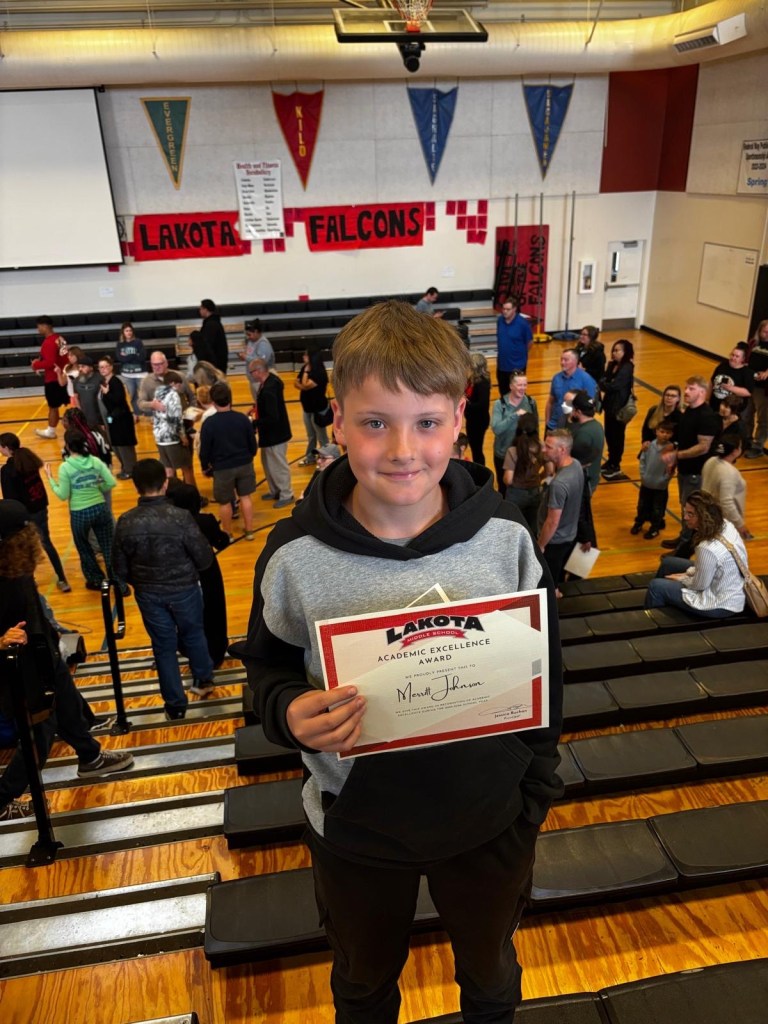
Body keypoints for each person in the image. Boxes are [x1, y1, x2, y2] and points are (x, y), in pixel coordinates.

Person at [237, 299, 562, 1024]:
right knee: (362, 987)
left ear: (459, 417)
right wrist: (287, 712)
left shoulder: (505, 536)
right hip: (355, 830)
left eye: (427, 422)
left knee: (490, 980)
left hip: (489, 822)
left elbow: (548, 669)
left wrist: (535, 790)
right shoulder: (292, 557)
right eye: (375, 423)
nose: (403, 450)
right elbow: (266, 670)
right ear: (337, 421)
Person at [0, 500, 133, 820]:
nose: (31, 536)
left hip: (45, 653)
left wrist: (54, 634)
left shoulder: (16, 560)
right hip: (20, 670)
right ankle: (2, 797)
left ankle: (90, 756)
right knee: (40, 732)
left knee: (70, 705)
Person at [113, 459, 216, 719]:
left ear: (135, 486)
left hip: (149, 593)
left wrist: (138, 581)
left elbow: (119, 568)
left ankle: (175, 705)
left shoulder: (126, 521)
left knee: (163, 646)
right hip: (185, 589)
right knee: (194, 633)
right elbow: (204, 557)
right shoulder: (180, 517)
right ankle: (203, 679)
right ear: (165, 483)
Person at [645, 490, 748, 618]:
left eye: (691, 514)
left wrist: (683, 578)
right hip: (728, 585)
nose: (685, 517)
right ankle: (665, 603)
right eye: (685, 512)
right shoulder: (726, 524)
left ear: (704, 517)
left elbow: (699, 585)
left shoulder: (707, 548)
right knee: (668, 563)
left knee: (655, 586)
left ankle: (654, 622)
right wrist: (689, 572)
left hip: (720, 603)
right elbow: (713, 566)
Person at [44, 428, 120, 591]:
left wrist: (50, 479)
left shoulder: (65, 467)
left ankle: (96, 580)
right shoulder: (95, 461)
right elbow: (111, 482)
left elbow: (63, 495)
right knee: (108, 546)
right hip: (100, 507)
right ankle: (119, 582)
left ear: (67, 446)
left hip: (80, 512)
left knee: (84, 547)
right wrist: (97, 488)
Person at [166, 480, 230, 670]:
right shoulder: (206, 521)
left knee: (187, 614)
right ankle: (215, 654)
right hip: (207, 572)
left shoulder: (170, 524)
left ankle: (191, 652)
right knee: (214, 611)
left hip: (181, 573)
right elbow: (222, 542)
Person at [0, 433, 70, 592]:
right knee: (47, 544)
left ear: (6, 448)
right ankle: (62, 579)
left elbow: (10, 499)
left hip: (24, 515)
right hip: (40, 508)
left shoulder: (7, 470)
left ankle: (30, 583)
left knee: (24, 549)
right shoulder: (28, 460)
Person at [660, 376, 721, 550]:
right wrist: (674, 461)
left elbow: (703, 447)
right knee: (686, 506)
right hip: (685, 469)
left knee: (693, 509)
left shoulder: (707, 416)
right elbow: (683, 439)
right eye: (686, 388)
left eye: (691, 388)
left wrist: (676, 456)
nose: (686, 391)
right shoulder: (688, 411)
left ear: (702, 392)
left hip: (697, 472)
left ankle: (687, 545)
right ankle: (684, 537)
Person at [198, 381, 257, 539]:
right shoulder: (242, 419)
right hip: (244, 463)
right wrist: (249, 456)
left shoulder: (209, 423)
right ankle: (249, 531)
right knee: (245, 497)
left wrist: (205, 467)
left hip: (222, 468)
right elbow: (252, 444)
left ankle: (228, 534)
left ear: (213, 401)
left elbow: (204, 450)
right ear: (230, 399)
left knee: (224, 502)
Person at [537, 429, 584, 586]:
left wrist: (541, 545)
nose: (544, 449)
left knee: (550, 582)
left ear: (562, 450)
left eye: (549, 447)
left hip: (554, 541)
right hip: (569, 534)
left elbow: (552, 522)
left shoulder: (559, 484)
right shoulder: (576, 465)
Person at [248, 358, 294, 509]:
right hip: (269, 435)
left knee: (278, 465)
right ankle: (275, 490)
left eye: (251, 372)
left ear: (259, 371)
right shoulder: (270, 381)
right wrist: (255, 409)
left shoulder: (269, 389)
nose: (250, 375)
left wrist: (254, 423)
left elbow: (272, 417)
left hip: (276, 435)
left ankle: (286, 494)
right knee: (268, 464)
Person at [490, 371, 538, 493]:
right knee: (503, 487)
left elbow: (535, 427)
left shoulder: (531, 402)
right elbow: (496, 429)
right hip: (503, 454)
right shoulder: (500, 405)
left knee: (521, 486)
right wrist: (515, 415)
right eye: (519, 385)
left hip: (524, 454)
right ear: (511, 386)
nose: (523, 388)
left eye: (525, 385)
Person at [702, 433, 752, 540]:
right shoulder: (729, 472)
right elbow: (727, 502)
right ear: (735, 451)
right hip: (723, 522)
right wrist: (740, 524)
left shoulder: (711, 461)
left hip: (708, 514)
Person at [632, 418, 675, 539]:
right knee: (642, 505)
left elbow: (671, 469)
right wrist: (643, 475)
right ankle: (639, 523)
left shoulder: (671, 449)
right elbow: (643, 461)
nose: (664, 435)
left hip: (660, 486)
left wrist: (664, 480)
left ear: (672, 434)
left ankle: (654, 528)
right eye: (662, 431)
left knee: (657, 508)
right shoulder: (649, 446)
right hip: (646, 483)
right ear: (656, 431)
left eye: (668, 433)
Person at [152, 370, 196, 486]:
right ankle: (191, 493)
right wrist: (183, 437)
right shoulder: (173, 395)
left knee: (169, 469)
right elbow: (175, 418)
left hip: (160, 438)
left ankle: (171, 494)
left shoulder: (158, 392)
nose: (179, 388)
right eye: (178, 385)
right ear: (172, 383)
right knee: (187, 467)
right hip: (173, 438)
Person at [502, 412, 543, 533]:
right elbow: (550, 470)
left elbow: (508, 479)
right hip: (535, 491)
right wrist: (539, 477)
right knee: (533, 527)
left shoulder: (513, 451)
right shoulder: (542, 447)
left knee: (514, 527)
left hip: (516, 494)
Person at [600, 339, 635, 480]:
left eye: (617, 350)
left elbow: (614, 386)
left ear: (626, 352)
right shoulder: (612, 365)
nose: (614, 353)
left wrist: (605, 384)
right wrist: (605, 383)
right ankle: (611, 460)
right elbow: (604, 379)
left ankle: (615, 464)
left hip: (619, 408)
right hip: (609, 406)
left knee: (617, 436)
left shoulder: (627, 367)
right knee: (609, 434)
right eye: (613, 350)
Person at [98, 356, 137, 480]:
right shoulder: (104, 382)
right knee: (116, 445)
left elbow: (119, 400)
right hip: (113, 419)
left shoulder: (115, 382)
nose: (103, 369)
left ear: (111, 367)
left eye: (105, 366)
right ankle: (125, 467)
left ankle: (130, 469)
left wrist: (107, 393)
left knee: (124, 445)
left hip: (122, 419)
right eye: (101, 367)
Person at [32, 316, 70, 440]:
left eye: (39, 326)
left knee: (53, 407)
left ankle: (51, 431)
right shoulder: (60, 339)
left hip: (53, 378)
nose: (38, 329)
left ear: (45, 326)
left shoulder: (49, 342)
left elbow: (50, 363)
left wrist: (35, 365)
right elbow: (63, 357)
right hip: (64, 376)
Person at [544, 349, 597, 431]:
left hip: (573, 428)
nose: (562, 362)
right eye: (561, 359)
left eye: (566, 360)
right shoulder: (556, 378)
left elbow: (591, 404)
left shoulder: (586, 379)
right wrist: (547, 422)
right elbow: (550, 402)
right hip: (554, 426)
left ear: (575, 361)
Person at [295, 349, 330, 466]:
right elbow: (296, 383)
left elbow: (305, 385)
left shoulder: (319, 372)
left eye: (306, 354)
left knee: (322, 437)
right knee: (311, 436)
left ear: (312, 356)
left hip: (318, 410)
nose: (303, 356)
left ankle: (327, 459)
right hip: (307, 409)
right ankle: (310, 457)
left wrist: (305, 372)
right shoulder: (305, 367)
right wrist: (302, 384)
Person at [568, 391, 604, 493]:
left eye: (573, 409)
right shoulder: (597, 425)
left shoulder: (583, 434)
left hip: (583, 482)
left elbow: (574, 461)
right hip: (592, 477)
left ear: (578, 412)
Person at [496, 297, 533, 394]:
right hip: (502, 365)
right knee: (503, 392)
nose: (504, 311)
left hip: (517, 366)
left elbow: (529, 342)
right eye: (503, 309)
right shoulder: (500, 321)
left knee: (517, 393)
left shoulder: (522, 324)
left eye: (508, 309)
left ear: (514, 309)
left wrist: (520, 354)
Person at [746, 320, 768, 458]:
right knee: (746, 415)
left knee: (763, 419)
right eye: (765, 331)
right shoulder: (753, 344)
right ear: (759, 331)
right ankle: (747, 440)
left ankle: (757, 446)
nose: (767, 334)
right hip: (750, 385)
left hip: (763, 390)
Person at [463, 352, 491, 465]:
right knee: (475, 448)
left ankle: (480, 469)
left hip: (478, 422)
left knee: (477, 450)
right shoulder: (472, 379)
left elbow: (482, 405)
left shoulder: (482, 383)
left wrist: (466, 404)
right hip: (472, 420)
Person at [114, 322, 146, 420]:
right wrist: (134, 355)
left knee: (144, 394)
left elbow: (142, 357)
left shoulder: (138, 342)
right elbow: (120, 358)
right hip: (127, 375)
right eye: (126, 331)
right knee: (132, 395)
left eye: (130, 330)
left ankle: (149, 414)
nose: (129, 332)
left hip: (140, 373)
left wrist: (127, 357)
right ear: (123, 332)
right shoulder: (120, 344)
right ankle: (137, 413)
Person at [709, 344, 753, 412]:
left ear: (743, 359)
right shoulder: (722, 365)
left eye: (737, 356)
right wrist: (706, 398)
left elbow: (748, 392)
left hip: (730, 409)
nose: (733, 358)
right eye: (732, 355)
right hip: (714, 404)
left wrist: (730, 388)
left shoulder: (747, 372)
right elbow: (711, 382)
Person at [243, 320, 275, 401]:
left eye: (249, 334)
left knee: (264, 401)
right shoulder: (251, 341)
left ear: (256, 332)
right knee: (258, 401)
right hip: (254, 379)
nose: (248, 337)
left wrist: (246, 357)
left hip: (262, 379)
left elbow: (261, 363)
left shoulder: (263, 344)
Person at [72, 355, 104, 430]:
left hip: (99, 419)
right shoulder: (76, 381)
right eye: (79, 367)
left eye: (83, 366)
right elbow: (76, 397)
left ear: (91, 368)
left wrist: (102, 421)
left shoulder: (100, 379)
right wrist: (80, 412)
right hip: (84, 420)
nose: (80, 369)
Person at [199, 298, 229, 373]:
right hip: (217, 362)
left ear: (205, 309)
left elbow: (208, 345)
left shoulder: (211, 325)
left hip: (214, 364)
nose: (199, 311)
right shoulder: (213, 322)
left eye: (201, 309)